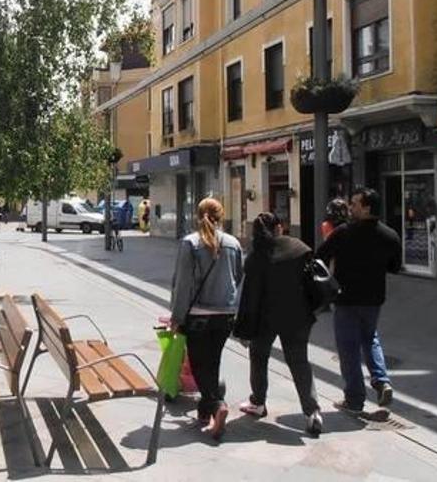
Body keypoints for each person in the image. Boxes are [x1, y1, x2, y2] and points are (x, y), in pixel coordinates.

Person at [317, 188, 401, 413]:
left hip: (346, 298)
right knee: (370, 338)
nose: (350, 207)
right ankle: (381, 380)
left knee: (348, 348)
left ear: (366, 207)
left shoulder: (343, 232)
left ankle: (355, 399)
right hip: (373, 298)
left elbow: (320, 257)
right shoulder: (390, 235)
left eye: (354, 204)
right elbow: (395, 267)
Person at [237, 212, 323, 435]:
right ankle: (312, 411)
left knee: (258, 357)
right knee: (299, 362)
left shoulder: (256, 257)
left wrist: (245, 326)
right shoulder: (298, 248)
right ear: (279, 227)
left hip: (266, 318)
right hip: (298, 316)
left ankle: (258, 402)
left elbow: (249, 295)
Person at [170, 198, 243, 440]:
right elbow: (238, 275)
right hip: (225, 314)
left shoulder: (190, 243)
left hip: (198, 314)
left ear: (197, 215)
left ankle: (216, 406)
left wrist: (177, 316)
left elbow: (183, 285)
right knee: (212, 361)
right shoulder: (233, 243)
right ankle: (204, 410)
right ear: (221, 216)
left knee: (199, 366)